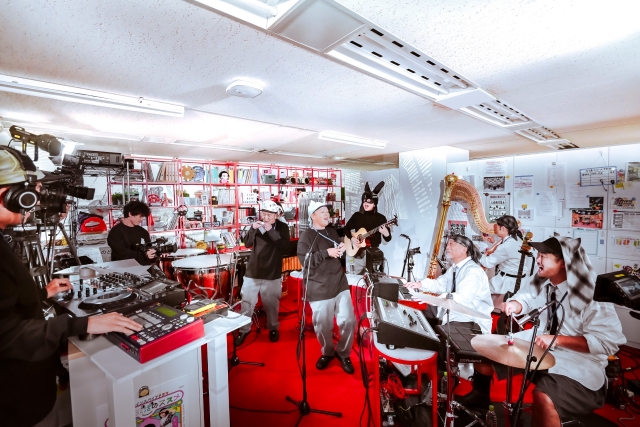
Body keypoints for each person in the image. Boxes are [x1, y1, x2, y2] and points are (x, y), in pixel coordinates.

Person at [0, 146, 142, 427]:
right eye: (32, 192)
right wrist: (83, 324)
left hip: (28, 390)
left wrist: (43, 293)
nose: (35, 203)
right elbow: (8, 335)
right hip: (17, 404)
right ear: (11, 194)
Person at [497, 236, 626, 425]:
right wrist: (515, 305)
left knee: (544, 397)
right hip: (541, 348)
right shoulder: (542, 281)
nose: (538, 260)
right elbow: (526, 298)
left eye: (544, 256)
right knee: (490, 356)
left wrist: (558, 340)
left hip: (578, 362)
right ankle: (480, 401)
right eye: (538, 255)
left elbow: (608, 343)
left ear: (564, 263)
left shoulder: (592, 296)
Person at [297, 201, 356, 374]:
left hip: (339, 282)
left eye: (327, 212)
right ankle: (328, 352)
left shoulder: (331, 231)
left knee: (349, 321)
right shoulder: (306, 236)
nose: (326, 214)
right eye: (322, 211)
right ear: (312, 215)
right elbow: (305, 262)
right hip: (319, 288)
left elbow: (336, 251)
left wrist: (341, 248)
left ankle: (343, 353)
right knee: (322, 326)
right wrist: (326, 253)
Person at [236, 200, 290, 345]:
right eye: (263, 214)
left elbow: (284, 246)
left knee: (272, 303)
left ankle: (273, 327)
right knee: (247, 302)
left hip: (272, 272)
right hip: (253, 270)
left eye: (269, 215)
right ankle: (244, 329)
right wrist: (252, 229)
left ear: (276, 215)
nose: (265, 218)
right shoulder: (257, 226)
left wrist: (271, 231)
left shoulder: (283, 227)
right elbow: (246, 243)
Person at [479, 215, 534, 308]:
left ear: (503, 228)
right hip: (522, 279)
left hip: (508, 281)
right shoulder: (519, 238)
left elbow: (487, 263)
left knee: (479, 290)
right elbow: (510, 252)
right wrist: (493, 243)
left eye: (496, 227)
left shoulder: (505, 246)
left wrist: (475, 251)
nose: (495, 229)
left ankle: (481, 314)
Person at [344, 181, 391, 274]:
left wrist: (386, 232)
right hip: (356, 255)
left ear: (374, 204)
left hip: (372, 254)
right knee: (355, 281)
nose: (366, 203)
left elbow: (388, 238)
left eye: (369, 202)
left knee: (373, 282)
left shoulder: (381, 218)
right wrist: (352, 238)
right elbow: (346, 229)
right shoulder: (357, 215)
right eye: (364, 201)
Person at [108, 201, 156, 265]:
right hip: (123, 270)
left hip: (144, 269)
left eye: (143, 216)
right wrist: (144, 255)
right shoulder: (115, 232)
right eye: (140, 216)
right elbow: (122, 253)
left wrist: (155, 253)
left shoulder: (143, 232)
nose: (141, 219)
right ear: (130, 214)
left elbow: (148, 250)